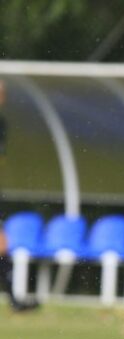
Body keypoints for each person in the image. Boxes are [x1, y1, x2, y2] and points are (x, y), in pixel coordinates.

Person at [0, 79, 39, 313]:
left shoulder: (2, 124)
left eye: (3, 93)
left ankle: (15, 300)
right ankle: (15, 300)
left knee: (3, 245)